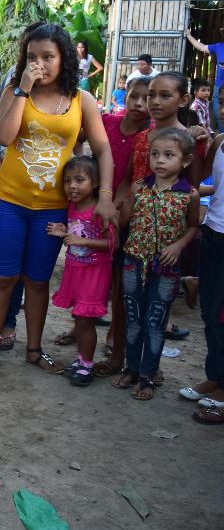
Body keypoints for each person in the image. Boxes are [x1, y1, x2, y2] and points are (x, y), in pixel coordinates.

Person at [0, 23, 117, 377]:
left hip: (52, 207)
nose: (40, 63)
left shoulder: (82, 100)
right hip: (9, 202)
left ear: (63, 58)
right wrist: (22, 89)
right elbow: (5, 137)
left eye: (48, 56)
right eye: (32, 56)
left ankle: (34, 349)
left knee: (37, 281)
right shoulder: (14, 91)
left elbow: (103, 149)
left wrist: (105, 196)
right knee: (3, 278)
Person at [115, 129, 199, 400]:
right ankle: (131, 368)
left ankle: (148, 376)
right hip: (133, 262)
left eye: (168, 155)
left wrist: (179, 245)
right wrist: (123, 203)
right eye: (155, 154)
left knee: (155, 322)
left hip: (166, 268)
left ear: (185, 160)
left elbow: (193, 226)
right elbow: (126, 221)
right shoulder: (140, 187)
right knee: (133, 319)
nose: (160, 160)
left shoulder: (189, 195)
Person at [88, 75, 152, 378]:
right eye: (134, 96)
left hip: (125, 214)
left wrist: (116, 208)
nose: (139, 104)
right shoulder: (106, 122)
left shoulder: (149, 137)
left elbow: (130, 180)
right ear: (124, 95)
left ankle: (115, 336)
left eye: (146, 99)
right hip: (96, 207)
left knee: (118, 281)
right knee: (90, 271)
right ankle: (83, 328)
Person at [48, 156, 113, 387]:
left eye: (79, 180)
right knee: (79, 318)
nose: (72, 186)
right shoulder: (71, 206)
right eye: (67, 181)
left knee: (86, 322)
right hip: (75, 270)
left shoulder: (100, 210)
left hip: (94, 274)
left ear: (95, 183)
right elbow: (76, 232)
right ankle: (81, 359)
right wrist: (63, 231)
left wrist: (82, 241)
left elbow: (111, 243)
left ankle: (87, 365)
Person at [185, 127, 224, 422]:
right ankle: (215, 376)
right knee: (210, 312)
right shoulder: (220, 142)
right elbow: (197, 180)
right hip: (213, 234)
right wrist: (197, 148)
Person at [185, 28, 224, 129]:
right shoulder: (218, 46)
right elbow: (201, 47)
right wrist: (188, 35)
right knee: (218, 116)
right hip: (219, 88)